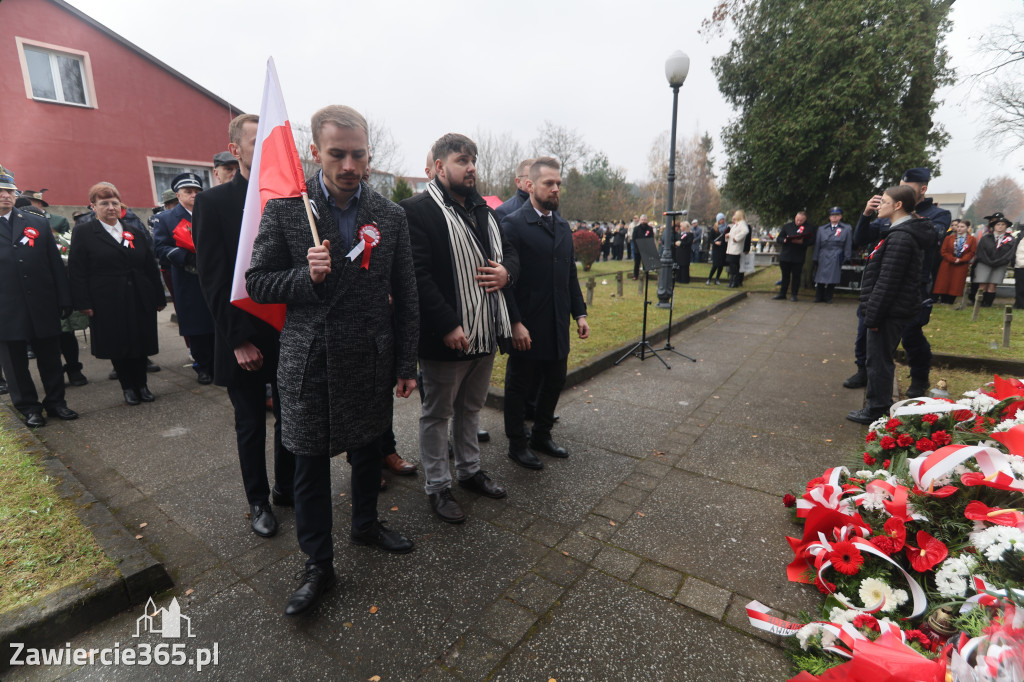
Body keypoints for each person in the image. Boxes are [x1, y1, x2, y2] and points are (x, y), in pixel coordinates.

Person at [246, 104, 419, 617]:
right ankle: (318, 563)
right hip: (310, 361)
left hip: (369, 356)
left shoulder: (390, 215)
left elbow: (405, 294)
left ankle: (365, 525)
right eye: (337, 153)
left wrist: (406, 362)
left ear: (370, 156)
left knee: (368, 451)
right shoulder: (284, 210)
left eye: (358, 154)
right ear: (315, 154)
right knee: (309, 467)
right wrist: (305, 276)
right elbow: (257, 282)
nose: (348, 164)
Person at [402, 133, 518, 523]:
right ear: (438, 167)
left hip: (485, 330)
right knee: (437, 414)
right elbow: (417, 276)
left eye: (473, 160)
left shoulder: (485, 210)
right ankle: (437, 486)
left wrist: (506, 272)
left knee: (471, 408)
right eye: (461, 160)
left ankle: (469, 471)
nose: (470, 168)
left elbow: (510, 255)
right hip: (446, 336)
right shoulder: (416, 211)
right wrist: (447, 323)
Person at [192, 113, 296, 539]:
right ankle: (258, 501)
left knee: (291, 418)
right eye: (257, 141)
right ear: (235, 150)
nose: (266, 148)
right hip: (244, 334)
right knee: (251, 422)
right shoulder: (214, 203)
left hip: (289, 331)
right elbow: (213, 277)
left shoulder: (290, 197)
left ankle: (287, 486)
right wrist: (237, 340)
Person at [501, 157, 588, 470]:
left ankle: (541, 435)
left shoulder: (562, 226)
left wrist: (580, 314)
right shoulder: (512, 225)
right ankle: (516, 443)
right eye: (548, 183)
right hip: (526, 324)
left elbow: (570, 276)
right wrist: (514, 323)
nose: (555, 189)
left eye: (558, 184)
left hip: (556, 322)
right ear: (529, 185)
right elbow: (505, 282)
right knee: (519, 385)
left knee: (554, 381)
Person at [844, 168, 944, 396]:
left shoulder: (933, 216)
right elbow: (861, 239)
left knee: (909, 336)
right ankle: (864, 372)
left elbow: (927, 244)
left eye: (906, 189)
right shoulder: (891, 218)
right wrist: (866, 214)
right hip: (882, 286)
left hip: (911, 288)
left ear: (922, 189)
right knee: (866, 337)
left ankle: (918, 379)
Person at [68, 183, 165, 405]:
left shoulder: (134, 232)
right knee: (118, 344)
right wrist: (82, 301)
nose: (111, 207)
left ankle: (142, 384)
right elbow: (77, 270)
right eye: (104, 203)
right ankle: (128, 387)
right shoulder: (84, 232)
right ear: (93, 206)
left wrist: (158, 297)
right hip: (107, 299)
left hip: (139, 296)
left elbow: (150, 266)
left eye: (114, 202)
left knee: (141, 341)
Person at [0, 169, 78, 427]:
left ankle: (56, 403)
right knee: (14, 362)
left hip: (42, 302)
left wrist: (64, 297)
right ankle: (29, 407)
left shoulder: (37, 222)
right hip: (6, 308)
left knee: (50, 357)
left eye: (10, 191)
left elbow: (55, 264)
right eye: (0, 192)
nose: (5, 196)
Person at [153, 173, 216, 384]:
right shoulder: (165, 218)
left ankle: (219, 363)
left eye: (197, 192)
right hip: (188, 278)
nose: (194, 195)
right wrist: (187, 256)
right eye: (189, 192)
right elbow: (160, 248)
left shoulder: (209, 212)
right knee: (197, 324)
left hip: (215, 277)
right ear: (178, 195)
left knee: (217, 321)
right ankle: (202, 366)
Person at [974, 212, 1015, 307]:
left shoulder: (1010, 239)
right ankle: (979, 303)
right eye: (998, 224)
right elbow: (980, 251)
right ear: (993, 226)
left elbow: (1009, 254)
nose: (1000, 227)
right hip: (984, 263)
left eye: (1003, 225)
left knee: (992, 285)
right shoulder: (986, 238)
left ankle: (988, 304)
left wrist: (999, 262)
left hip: (1000, 265)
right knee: (982, 284)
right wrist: (988, 261)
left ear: (1006, 226)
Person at [812, 207, 852, 302]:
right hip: (823, 254)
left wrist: (847, 256)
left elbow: (848, 243)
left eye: (836, 215)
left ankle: (828, 297)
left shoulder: (846, 228)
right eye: (832, 215)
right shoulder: (822, 229)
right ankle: (818, 297)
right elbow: (817, 244)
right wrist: (815, 256)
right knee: (820, 277)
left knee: (833, 277)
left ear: (840, 217)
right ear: (829, 217)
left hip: (836, 254)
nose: (834, 217)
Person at [933, 219, 976, 304]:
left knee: (956, 283)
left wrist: (961, 260)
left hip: (961, 265)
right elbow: (943, 251)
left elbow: (972, 252)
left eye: (962, 227)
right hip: (947, 263)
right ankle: (943, 299)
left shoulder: (972, 239)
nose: (959, 228)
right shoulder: (949, 238)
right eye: (958, 226)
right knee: (944, 281)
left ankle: (951, 300)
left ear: (967, 228)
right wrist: (953, 259)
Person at [774, 211, 812, 301]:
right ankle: (782, 293)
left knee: (796, 276)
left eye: (801, 220)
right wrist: (784, 240)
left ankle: (794, 294)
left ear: (805, 220)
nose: (798, 222)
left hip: (798, 256)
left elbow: (812, 241)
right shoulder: (787, 226)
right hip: (786, 255)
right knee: (785, 276)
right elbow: (779, 238)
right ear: (795, 217)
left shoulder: (809, 228)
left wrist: (802, 242)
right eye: (797, 219)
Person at [725, 210, 749, 288]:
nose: (734, 216)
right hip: (731, 248)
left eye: (735, 214)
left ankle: (735, 282)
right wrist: (728, 235)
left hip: (736, 248)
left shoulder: (742, 224)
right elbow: (733, 233)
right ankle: (732, 281)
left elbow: (745, 231)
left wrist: (736, 238)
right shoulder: (736, 224)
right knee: (731, 265)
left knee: (734, 266)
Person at [632, 215, 655, 280]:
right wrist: (638, 246)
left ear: (647, 220)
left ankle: (646, 275)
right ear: (640, 220)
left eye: (644, 220)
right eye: (642, 220)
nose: (643, 221)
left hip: (646, 249)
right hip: (637, 249)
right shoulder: (636, 228)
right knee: (637, 263)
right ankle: (635, 275)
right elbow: (634, 239)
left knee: (646, 263)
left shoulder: (650, 229)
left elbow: (651, 238)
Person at [707, 212, 727, 285]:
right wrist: (715, 242)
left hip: (723, 248)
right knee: (715, 265)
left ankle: (717, 279)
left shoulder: (726, 228)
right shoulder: (714, 229)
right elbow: (710, 240)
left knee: (721, 265)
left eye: (723, 219)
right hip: (716, 249)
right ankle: (709, 278)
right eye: (721, 219)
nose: (722, 221)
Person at [674, 219, 693, 284]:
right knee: (679, 266)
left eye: (681, 226)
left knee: (684, 267)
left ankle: (685, 279)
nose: (680, 228)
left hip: (685, 253)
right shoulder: (680, 234)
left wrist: (681, 243)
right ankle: (678, 278)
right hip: (679, 252)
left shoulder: (689, 234)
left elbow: (689, 243)